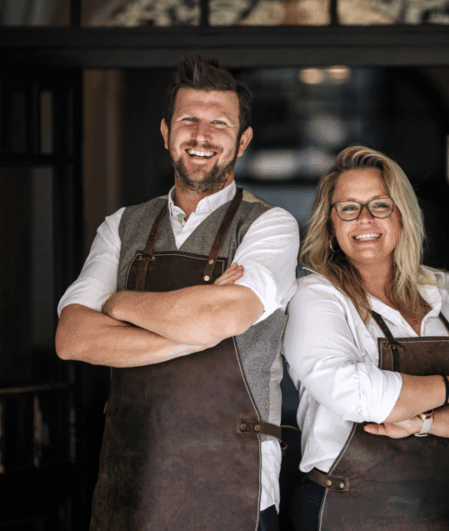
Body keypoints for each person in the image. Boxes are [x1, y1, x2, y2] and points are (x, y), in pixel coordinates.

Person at [55, 54, 299, 531]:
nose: (201, 135)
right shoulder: (121, 226)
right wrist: (196, 331)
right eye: (189, 120)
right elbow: (73, 338)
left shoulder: (270, 225)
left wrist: (119, 304)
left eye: (219, 124)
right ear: (166, 133)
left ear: (243, 140)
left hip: (235, 472)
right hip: (133, 469)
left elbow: (220, 320)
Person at [283, 145, 449, 531]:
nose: (364, 219)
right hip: (350, 511)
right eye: (348, 207)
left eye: (379, 205)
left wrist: (423, 423)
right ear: (330, 223)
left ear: (402, 214)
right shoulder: (315, 296)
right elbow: (356, 395)